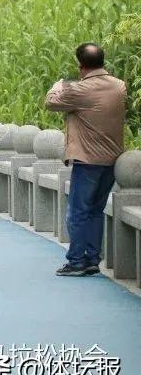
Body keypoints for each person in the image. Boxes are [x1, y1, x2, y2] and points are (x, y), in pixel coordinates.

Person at [45, 43, 127, 277]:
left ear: (81, 65)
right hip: (112, 160)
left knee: (78, 212)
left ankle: (77, 261)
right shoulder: (119, 86)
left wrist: (57, 86)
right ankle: (92, 259)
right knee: (95, 211)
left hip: (87, 160)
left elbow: (51, 103)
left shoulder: (80, 90)